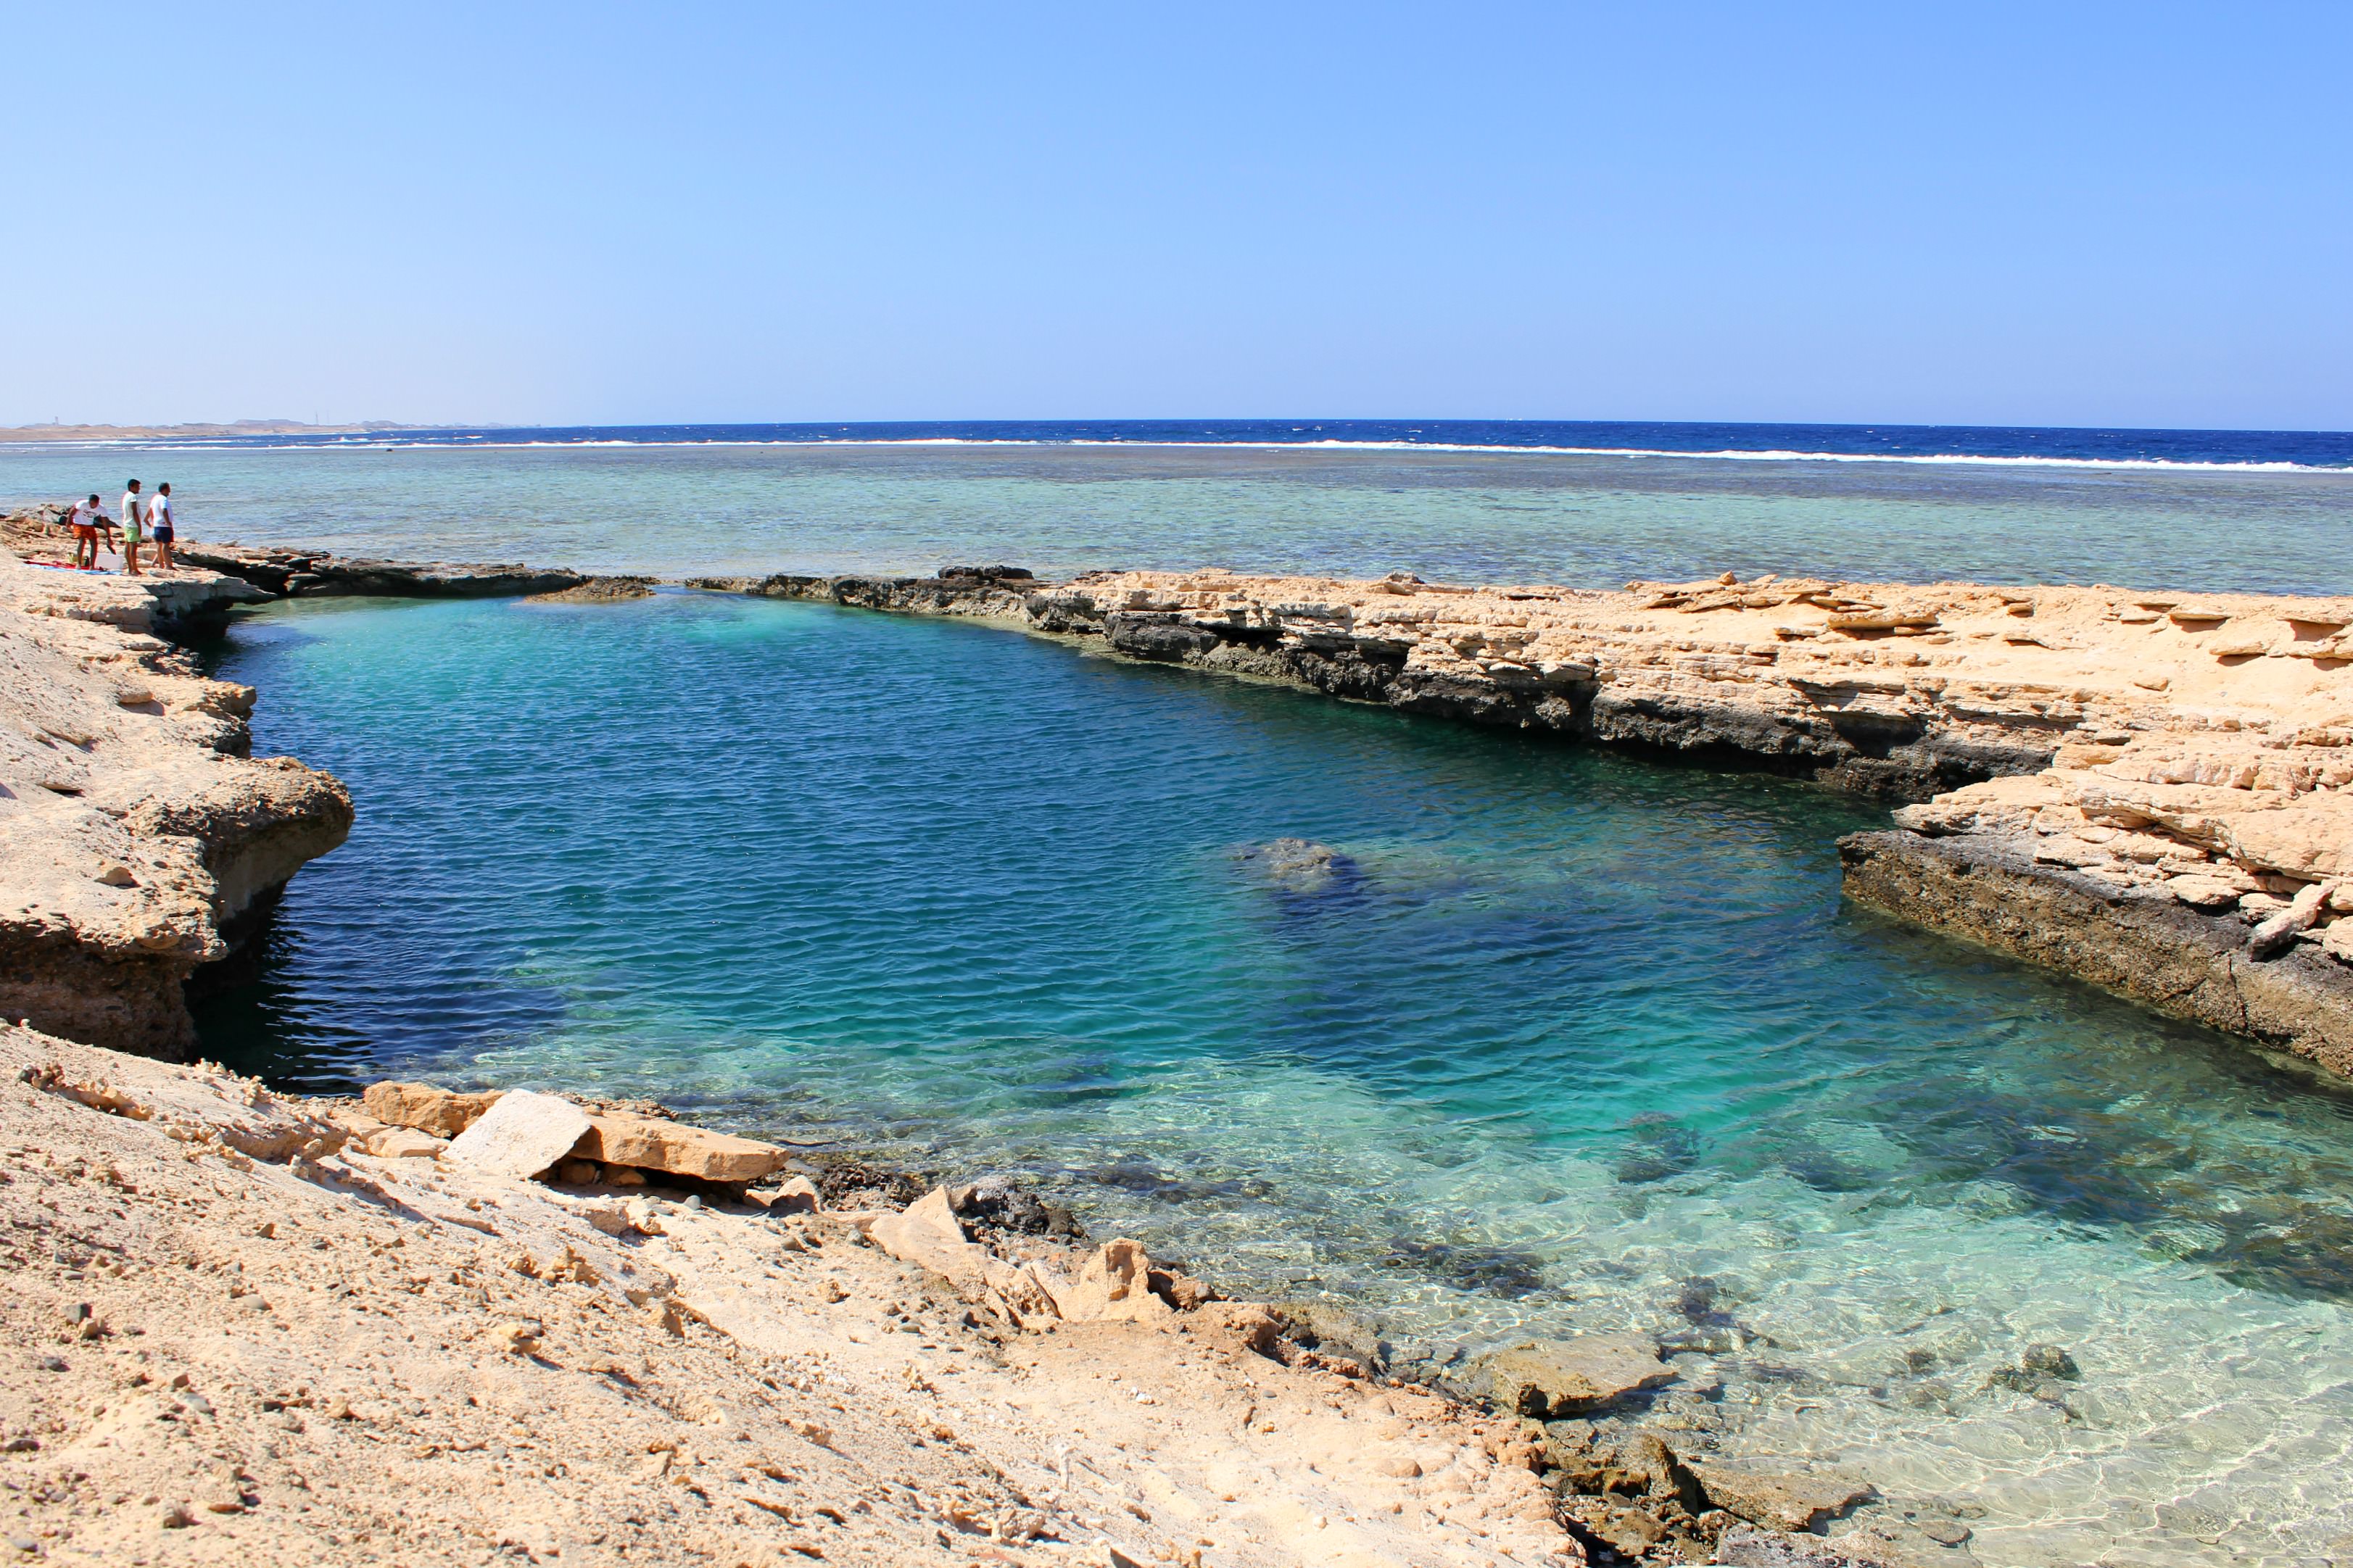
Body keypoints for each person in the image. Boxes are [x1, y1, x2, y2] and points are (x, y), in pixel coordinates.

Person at [65, 494, 107, 571]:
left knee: (94, 543)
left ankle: (92, 565)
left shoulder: (101, 508)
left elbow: (105, 521)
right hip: (78, 523)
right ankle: (78, 563)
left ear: (97, 503)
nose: (91, 505)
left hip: (89, 525)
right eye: (90, 503)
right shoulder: (83, 504)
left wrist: (108, 533)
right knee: (82, 541)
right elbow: (73, 510)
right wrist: (69, 521)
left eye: (93, 504)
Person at [117, 478, 145, 576]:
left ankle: (130, 568)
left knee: (128, 547)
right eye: (137, 487)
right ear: (131, 487)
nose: (139, 489)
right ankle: (134, 569)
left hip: (127, 523)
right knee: (133, 548)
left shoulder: (126, 496)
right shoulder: (133, 497)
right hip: (133, 525)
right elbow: (135, 512)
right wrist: (139, 525)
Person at [148, 482, 176, 571]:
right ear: (164, 490)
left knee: (159, 545)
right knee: (165, 544)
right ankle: (168, 565)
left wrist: (153, 520)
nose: (170, 491)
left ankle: (161, 565)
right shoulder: (163, 499)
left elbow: (151, 510)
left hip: (157, 525)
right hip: (164, 525)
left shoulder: (155, 498)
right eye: (168, 489)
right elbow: (164, 510)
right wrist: (168, 523)